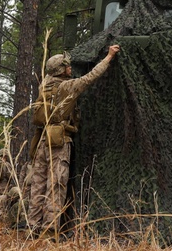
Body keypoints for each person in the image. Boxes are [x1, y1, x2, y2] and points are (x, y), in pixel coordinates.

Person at [27, 44, 120, 235]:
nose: (71, 68)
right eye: (67, 66)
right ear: (61, 70)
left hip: (42, 142)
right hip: (59, 143)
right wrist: (109, 57)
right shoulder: (67, 86)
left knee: (37, 187)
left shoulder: (44, 85)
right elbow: (90, 77)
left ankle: (32, 227)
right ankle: (49, 231)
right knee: (56, 186)